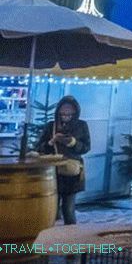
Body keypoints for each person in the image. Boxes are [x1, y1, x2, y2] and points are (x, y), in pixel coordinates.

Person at [36, 96, 90, 225]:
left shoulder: (81, 125)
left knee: (68, 207)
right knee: (51, 206)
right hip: (52, 172)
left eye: (70, 111)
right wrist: (51, 142)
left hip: (71, 171)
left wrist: (72, 142)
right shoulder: (51, 126)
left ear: (75, 111)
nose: (66, 114)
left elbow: (86, 147)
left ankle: (70, 236)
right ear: (58, 111)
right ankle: (50, 236)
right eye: (64, 110)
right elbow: (39, 147)